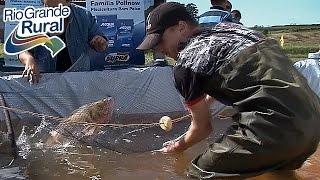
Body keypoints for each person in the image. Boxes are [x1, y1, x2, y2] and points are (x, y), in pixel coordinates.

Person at [137, 2, 320, 179]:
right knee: (277, 172)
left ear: (181, 27)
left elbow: (202, 129)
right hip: (313, 123)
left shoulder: (186, 64)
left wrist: (177, 147)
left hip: (275, 127)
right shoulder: (233, 31)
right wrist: (204, 103)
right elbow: (248, 77)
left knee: (199, 172)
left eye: (160, 40)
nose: (159, 48)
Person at [18, 0, 108, 83]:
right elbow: (21, 50)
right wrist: (29, 59)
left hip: (79, 81)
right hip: (45, 82)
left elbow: (100, 46)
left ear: (68, 2)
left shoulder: (84, 16)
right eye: (48, 7)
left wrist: (100, 44)